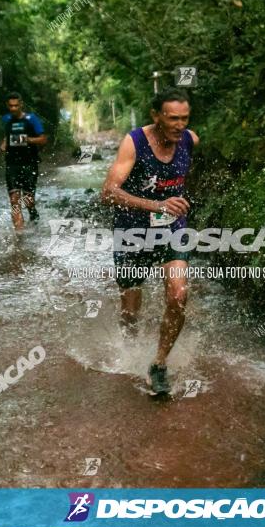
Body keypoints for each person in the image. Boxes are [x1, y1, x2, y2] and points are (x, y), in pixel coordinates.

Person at [101, 87, 199, 395]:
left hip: (172, 228)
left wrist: (176, 204)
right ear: (156, 116)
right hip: (132, 229)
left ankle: (158, 364)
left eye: (184, 118)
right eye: (172, 118)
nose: (179, 125)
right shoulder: (134, 142)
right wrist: (157, 204)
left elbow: (184, 177)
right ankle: (130, 352)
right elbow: (108, 192)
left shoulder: (190, 140)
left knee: (179, 294)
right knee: (130, 311)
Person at [0, 93, 48, 229]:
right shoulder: (5, 119)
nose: (13, 108)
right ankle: (19, 235)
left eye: (16, 105)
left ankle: (33, 214)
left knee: (28, 200)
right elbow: (6, 136)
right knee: (14, 200)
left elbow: (43, 139)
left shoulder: (31, 119)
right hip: (12, 164)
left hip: (29, 164)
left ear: (21, 105)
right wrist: (4, 144)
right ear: (7, 106)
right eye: (11, 106)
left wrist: (27, 140)